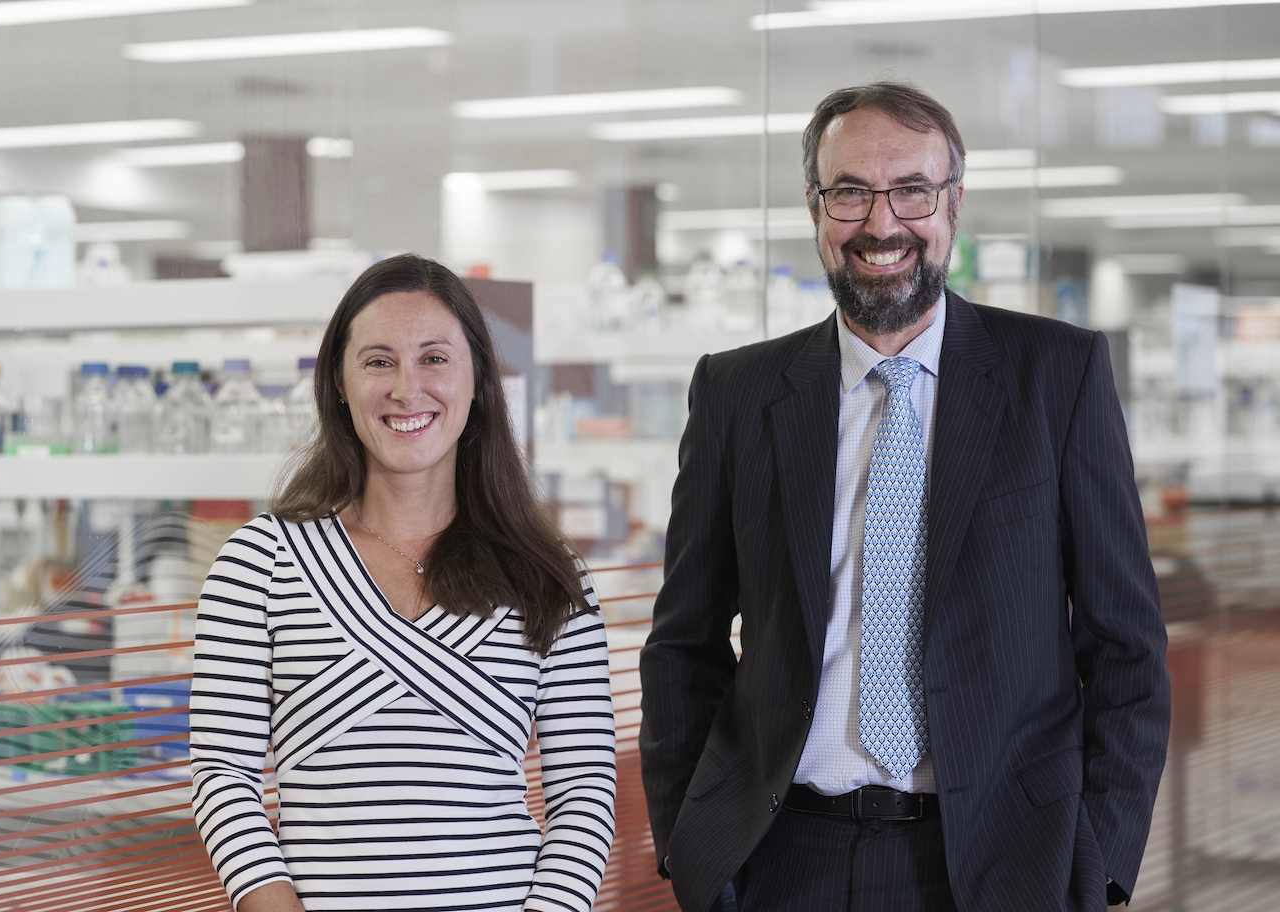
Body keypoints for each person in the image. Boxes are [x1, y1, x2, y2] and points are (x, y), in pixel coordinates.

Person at [639, 83, 1170, 912]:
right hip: (782, 858)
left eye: (911, 191)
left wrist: (1097, 862)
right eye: (849, 192)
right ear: (814, 207)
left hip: (1004, 861)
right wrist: (686, 844)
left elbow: (1126, 647)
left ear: (953, 202)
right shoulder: (736, 392)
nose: (881, 224)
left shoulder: (1055, 376)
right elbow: (683, 645)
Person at [190, 254, 616, 912]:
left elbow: (584, 787)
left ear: (478, 380)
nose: (405, 389)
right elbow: (222, 775)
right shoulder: (260, 561)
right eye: (379, 360)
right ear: (337, 380)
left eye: (435, 359)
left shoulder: (545, 573)